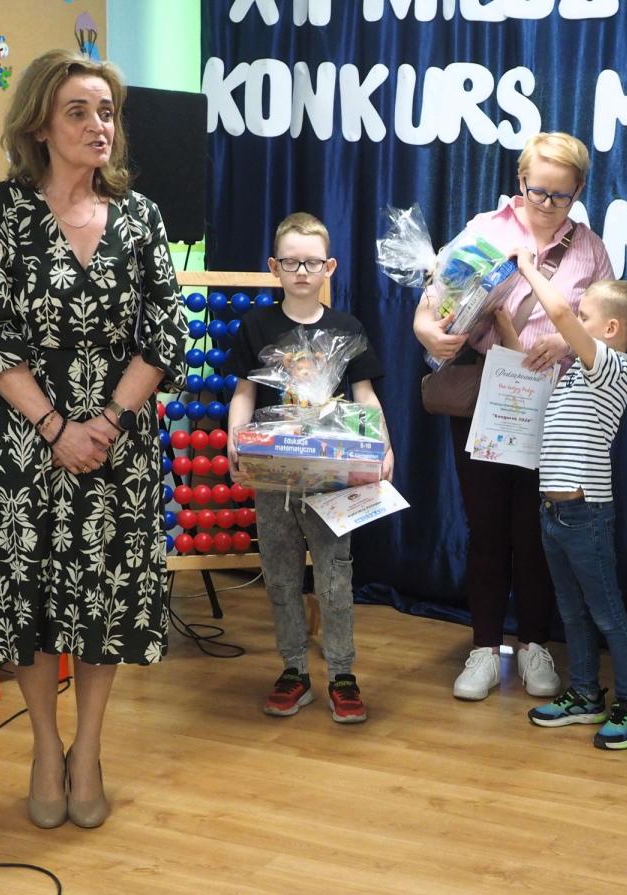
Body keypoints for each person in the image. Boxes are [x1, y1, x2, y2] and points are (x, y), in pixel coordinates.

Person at [0, 50, 186, 829]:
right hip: (19, 446)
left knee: (102, 597)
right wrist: (55, 427)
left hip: (116, 447)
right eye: (78, 111)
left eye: (106, 111)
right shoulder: (0, 211)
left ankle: (88, 748)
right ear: (41, 126)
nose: (97, 125)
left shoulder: (142, 216)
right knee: (30, 595)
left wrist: (105, 422)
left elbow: (165, 335)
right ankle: (46, 747)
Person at [412, 132, 613, 701]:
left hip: (555, 401)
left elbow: (606, 328)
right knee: (486, 526)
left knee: (537, 531)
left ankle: (534, 644)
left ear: (579, 190)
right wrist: (429, 333)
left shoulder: (590, 249)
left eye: (560, 195)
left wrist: (568, 343)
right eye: (536, 190)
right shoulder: (485, 231)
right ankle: (483, 646)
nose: (545, 204)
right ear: (520, 181)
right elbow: (430, 307)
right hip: (485, 395)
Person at [227, 212, 393, 721]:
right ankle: (294, 670)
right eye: (292, 262)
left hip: (332, 477)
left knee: (335, 577)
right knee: (279, 576)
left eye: (312, 262)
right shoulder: (257, 326)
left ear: (329, 267)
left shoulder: (347, 328)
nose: (302, 271)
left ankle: (342, 673)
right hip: (273, 474)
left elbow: (364, 396)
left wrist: (383, 447)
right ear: (274, 266)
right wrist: (236, 438)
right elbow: (245, 392)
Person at [492, 252, 627, 748]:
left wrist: (528, 267)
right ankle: (585, 693)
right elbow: (525, 369)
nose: (572, 324)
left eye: (585, 317)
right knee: (572, 611)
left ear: (609, 328)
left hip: (585, 514)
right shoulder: (575, 375)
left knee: (607, 612)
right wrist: (500, 315)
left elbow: (560, 313)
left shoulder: (611, 367)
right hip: (555, 513)